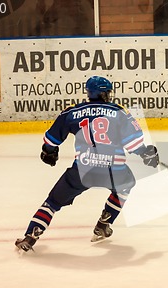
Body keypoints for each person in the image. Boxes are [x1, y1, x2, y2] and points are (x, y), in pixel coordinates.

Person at [15, 76, 159, 252]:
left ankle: (31, 235)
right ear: (104, 93)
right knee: (126, 184)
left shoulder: (72, 111)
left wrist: (49, 151)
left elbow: (51, 139)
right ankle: (104, 223)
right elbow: (134, 144)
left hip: (82, 170)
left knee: (52, 202)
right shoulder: (119, 112)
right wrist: (146, 153)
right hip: (113, 170)